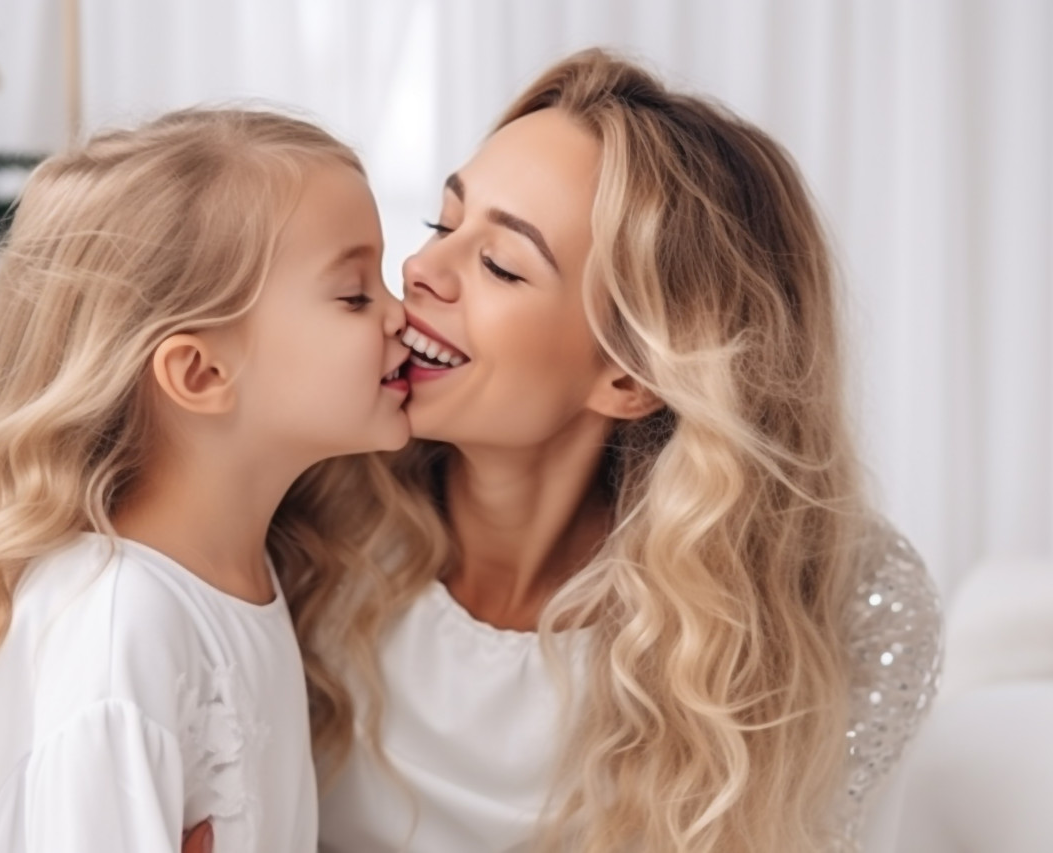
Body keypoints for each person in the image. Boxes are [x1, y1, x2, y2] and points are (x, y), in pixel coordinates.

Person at [271, 49, 943, 853]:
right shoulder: (299, 519)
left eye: (500, 265)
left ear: (629, 376)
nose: (420, 269)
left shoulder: (840, 609)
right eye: (442, 225)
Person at [0, 107, 409, 853]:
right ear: (200, 373)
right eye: (356, 294)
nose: (402, 314)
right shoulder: (121, 624)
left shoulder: (235, 571)